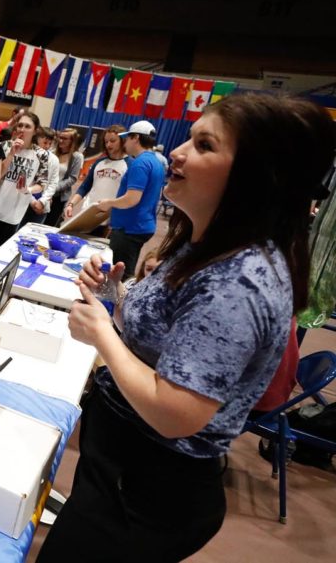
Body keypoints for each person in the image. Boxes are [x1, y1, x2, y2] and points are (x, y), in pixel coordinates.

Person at [37, 94, 335, 563]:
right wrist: (118, 304)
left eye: (203, 144)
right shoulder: (208, 244)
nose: (176, 152)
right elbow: (170, 344)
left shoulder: (237, 281)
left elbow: (177, 413)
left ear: (252, 176)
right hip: (122, 474)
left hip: (145, 492)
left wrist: (103, 337)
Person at [94, 120, 166, 279]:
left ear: (136, 138)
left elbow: (132, 199)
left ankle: (117, 303)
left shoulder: (140, 163)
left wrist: (109, 203)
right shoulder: (156, 162)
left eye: (127, 138)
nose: (124, 143)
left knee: (120, 274)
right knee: (125, 269)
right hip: (141, 225)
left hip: (130, 228)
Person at [0, 110, 51, 247]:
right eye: (20, 125)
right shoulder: (4, 146)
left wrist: (27, 189)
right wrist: (11, 154)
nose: (22, 129)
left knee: (0, 249)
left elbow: (42, 184)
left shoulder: (41, 154)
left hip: (14, 211)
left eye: (27, 126)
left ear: (35, 131)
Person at [64, 124, 129, 236]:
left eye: (113, 141)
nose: (108, 144)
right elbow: (85, 187)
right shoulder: (99, 163)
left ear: (122, 141)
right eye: (106, 141)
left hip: (110, 220)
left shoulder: (130, 164)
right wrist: (71, 204)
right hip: (88, 214)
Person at [21, 126, 60, 226]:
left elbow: (53, 183)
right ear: (37, 139)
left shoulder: (54, 159)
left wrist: (42, 201)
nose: (47, 146)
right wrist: (32, 201)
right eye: (45, 143)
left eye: (50, 144)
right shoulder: (28, 155)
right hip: (24, 200)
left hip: (41, 204)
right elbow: (23, 182)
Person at [47, 127, 85, 227]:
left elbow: (72, 179)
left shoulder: (77, 156)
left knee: (50, 225)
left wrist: (53, 188)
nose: (60, 140)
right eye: (60, 137)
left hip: (58, 197)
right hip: (44, 192)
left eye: (64, 138)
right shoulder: (52, 152)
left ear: (72, 141)